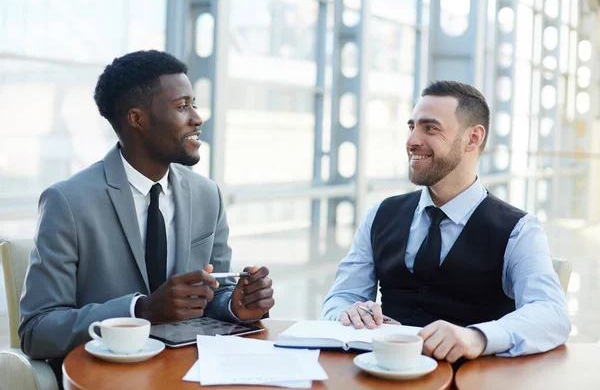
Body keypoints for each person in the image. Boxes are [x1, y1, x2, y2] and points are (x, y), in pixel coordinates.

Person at [19, 50, 275, 374]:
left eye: (193, 104)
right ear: (137, 119)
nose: (197, 118)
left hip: (192, 373)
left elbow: (215, 294)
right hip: (107, 377)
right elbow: (37, 330)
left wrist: (236, 305)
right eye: (182, 107)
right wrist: (140, 310)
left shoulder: (207, 195)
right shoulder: (67, 203)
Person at [322, 80, 570, 363]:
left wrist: (477, 337)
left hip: (470, 380)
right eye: (412, 127)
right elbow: (339, 298)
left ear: (473, 138)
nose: (412, 141)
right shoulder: (380, 215)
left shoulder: (519, 230)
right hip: (384, 375)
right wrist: (348, 313)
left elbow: (552, 313)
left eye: (430, 128)